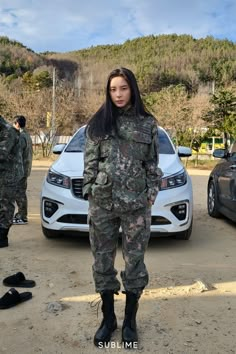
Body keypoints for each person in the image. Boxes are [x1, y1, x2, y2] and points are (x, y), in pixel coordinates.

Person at [82, 67, 162, 348]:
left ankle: (129, 321)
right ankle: (107, 319)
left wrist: (151, 192)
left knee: (135, 263)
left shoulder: (148, 123)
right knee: (102, 262)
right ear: (108, 91)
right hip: (102, 205)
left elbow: (152, 164)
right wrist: (91, 191)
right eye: (113, 89)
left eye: (123, 88)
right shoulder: (97, 124)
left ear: (133, 89)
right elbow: (89, 165)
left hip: (136, 207)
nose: (118, 94)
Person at [0, 115, 23, 247]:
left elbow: (2, 154)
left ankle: (2, 236)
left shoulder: (8, 132)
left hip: (10, 174)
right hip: (3, 172)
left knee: (5, 204)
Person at [13, 115, 33, 225]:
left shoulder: (21, 137)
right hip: (25, 168)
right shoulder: (27, 135)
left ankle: (22, 216)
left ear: (17, 124)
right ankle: (22, 214)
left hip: (21, 169)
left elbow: (16, 152)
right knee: (21, 192)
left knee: (19, 193)